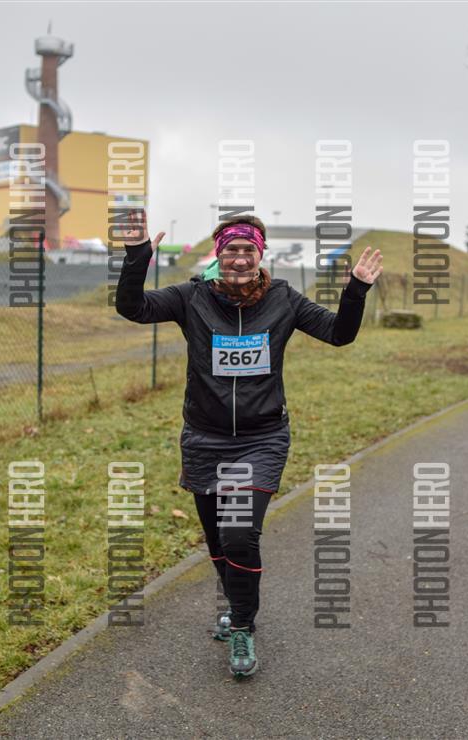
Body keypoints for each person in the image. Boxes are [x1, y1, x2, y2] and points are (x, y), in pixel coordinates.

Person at [115, 209, 383, 678]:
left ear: (261, 255)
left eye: (248, 250)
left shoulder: (284, 300)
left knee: (239, 534)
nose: (240, 259)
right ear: (219, 255)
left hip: (261, 439)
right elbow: (132, 308)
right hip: (204, 438)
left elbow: (339, 334)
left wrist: (356, 289)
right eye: (232, 250)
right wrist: (138, 256)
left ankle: (242, 624)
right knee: (218, 541)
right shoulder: (191, 297)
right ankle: (238, 604)